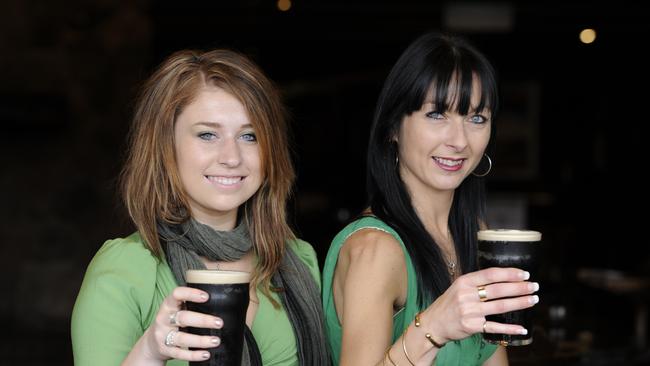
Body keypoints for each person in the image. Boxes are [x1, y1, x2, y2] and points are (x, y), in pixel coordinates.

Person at [71, 49, 330, 366]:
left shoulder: (297, 260)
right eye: (208, 134)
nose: (232, 157)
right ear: (165, 146)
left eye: (249, 136)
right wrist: (150, 352)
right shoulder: (124, 271)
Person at [321, 31, 540, 365]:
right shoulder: (375, 249)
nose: (459, 140)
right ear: (393, 128)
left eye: (476, 118)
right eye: (437, 114)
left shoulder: (473, 233)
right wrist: (434, 327)